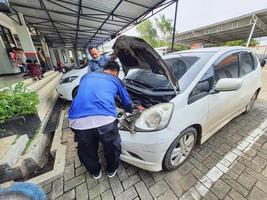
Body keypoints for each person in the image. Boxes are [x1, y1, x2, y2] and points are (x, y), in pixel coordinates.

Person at [68, 61, 133, 179]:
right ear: (116, 73)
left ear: (104, 69)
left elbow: (81, 93)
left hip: (76, 120)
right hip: (104, 121)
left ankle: (95, 172)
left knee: (87, 149)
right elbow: (127, 103)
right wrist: (130, 110)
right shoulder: (116, 80)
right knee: (112, 146)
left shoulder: (86, 76)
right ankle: (111, 170)